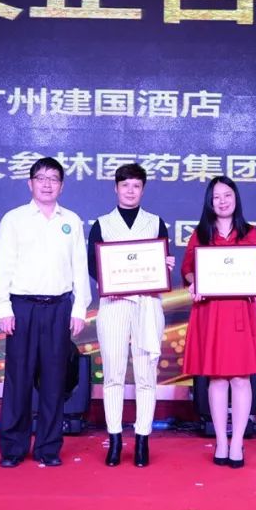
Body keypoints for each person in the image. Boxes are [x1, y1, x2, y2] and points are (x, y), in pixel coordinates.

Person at [0, 156, 89, 468]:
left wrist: (79, 308)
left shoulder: (71, 220)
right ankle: (13, 448)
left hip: (59, 307)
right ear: (30, 183)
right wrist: (4, 306)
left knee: (53, 380)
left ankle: (48, 447)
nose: (47, 184)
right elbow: (3, 265)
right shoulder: (14, 219)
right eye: (41, 178)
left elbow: (79, 266)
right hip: (22, 307)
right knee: (18, 379)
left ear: (62, 186)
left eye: (54, 179)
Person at [88, 163, 176, 467]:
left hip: (147, 305)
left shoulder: (155, 223)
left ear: (143, 189)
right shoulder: (102, 224)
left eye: (136, 185)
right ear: (116, 188)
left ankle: (142, 439)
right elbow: (93, 265)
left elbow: (161, 262)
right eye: (125, 185)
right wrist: (110, 282)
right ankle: (114, 439)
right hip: (113, 304)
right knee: (113, 374)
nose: (130, 190)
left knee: (145, 375)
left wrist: (164, 265)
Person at [180, 176, 256, 469]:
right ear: (210, 201)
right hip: (211, 312)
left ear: (236, 199)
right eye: (216, 196)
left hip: (240, 312)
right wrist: (194, 281)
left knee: (241, 378)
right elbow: (188, 269)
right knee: (217, 378)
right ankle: (221, 441)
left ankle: (237, 442)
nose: (222, 201)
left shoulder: (250, 233)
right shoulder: (200, 234)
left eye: (227, 195)